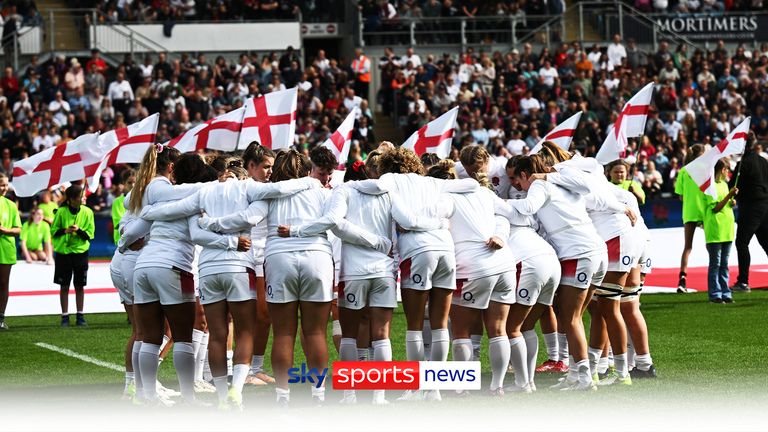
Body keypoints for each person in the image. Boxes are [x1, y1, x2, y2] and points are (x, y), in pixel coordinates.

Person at [346, 147, 479, 402]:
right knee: (440, 325)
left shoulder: (390, 180)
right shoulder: (432, 181)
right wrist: (438, 219)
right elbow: (472, 185)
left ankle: (417, 388)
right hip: (445, 248)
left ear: (387, 166)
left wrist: (347, 189)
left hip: (417, 250)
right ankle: (434, 389)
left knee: (415, 326)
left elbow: (374, 190)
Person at [506, 155, 607, 391]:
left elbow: (528, 207)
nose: (518, 188)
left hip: (579, 254)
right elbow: (587, 184)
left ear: (524, 174)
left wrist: (493, 203)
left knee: (571, 319)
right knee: (574, 318)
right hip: (595, 251)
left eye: (518, 181)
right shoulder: (563, 183)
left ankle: (584, 377)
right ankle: (576, 373)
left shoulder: (541, 185)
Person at [51, 184, 95, 327]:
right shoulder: (61, 212)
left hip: (81, 253)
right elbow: (53, 230)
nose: (82, 198)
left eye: (82, 196)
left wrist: (79, 230)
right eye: (79, 197)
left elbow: (90, 235)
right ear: (70, 199)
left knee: (79, 285)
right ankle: (65, 316)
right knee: (64, 285)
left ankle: (80, 315)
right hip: (63, 253)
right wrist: (65, 231)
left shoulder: (88, 212)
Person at [729, 134, 768, 292]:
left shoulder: (742, 163)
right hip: (765, 205)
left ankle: (743, 281)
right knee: (766, 243)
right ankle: (743, 281)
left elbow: (733, 187)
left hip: (751, 207)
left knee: (742, 243)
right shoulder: (763, 161)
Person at [675, 144, 706, 293]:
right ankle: (716, 281)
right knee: (713, 247)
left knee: (687, 247)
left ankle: (682, 281)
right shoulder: (707, 169)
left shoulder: (683, 171)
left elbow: (680, 196)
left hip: (689, 212)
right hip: (706, 211)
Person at [705, 159, 738, 303]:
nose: (728, 172)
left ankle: (725, 291)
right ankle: (715, 293)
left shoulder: (725, 185)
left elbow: (724, 205)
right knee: (715, 264)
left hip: (727, 228)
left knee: (724, 264)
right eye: (726, 169)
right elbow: (715, 208)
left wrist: (732, 202)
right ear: (721, 170)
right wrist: (729, 196)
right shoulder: (709, 187)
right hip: (715, 229)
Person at [0, 173, 20, 330]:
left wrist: (5, 230)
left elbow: (18, 229)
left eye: (6, 184)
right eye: (1, 184)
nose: (4, 188)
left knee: (3, 284)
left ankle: (1, 317)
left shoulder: (11, 205)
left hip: (6, 249)